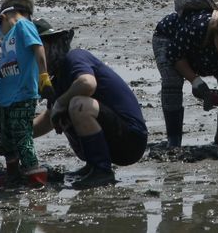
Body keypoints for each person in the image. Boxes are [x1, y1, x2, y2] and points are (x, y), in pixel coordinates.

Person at [32, 24, 149, 189]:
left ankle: (102, 170)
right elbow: (48, 118)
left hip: (131, 138)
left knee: (78, 104)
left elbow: (87, 83)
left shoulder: (75, 57)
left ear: (50, 45)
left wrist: (60, 102)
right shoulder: (57, 78)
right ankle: (93, 166)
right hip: (113, 142)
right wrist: (18, 138)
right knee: (64, 110)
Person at [151, 0, 218, 150]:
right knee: (172, 81)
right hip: (171, 39)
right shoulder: (199, 28)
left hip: (209, 58)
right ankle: (174, 140)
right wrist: (196, 81)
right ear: (215, 34)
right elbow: (175, 55)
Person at [0, 0, 53, 186]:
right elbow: (12, 64)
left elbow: (38, 48)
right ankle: (13, 175)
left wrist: (43, 75)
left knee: (22, 137)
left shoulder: (24, 26)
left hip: (22, 95)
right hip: (5, 98)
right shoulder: (8, 40)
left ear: (3, 17)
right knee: (6, 138)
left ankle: (35, 177)